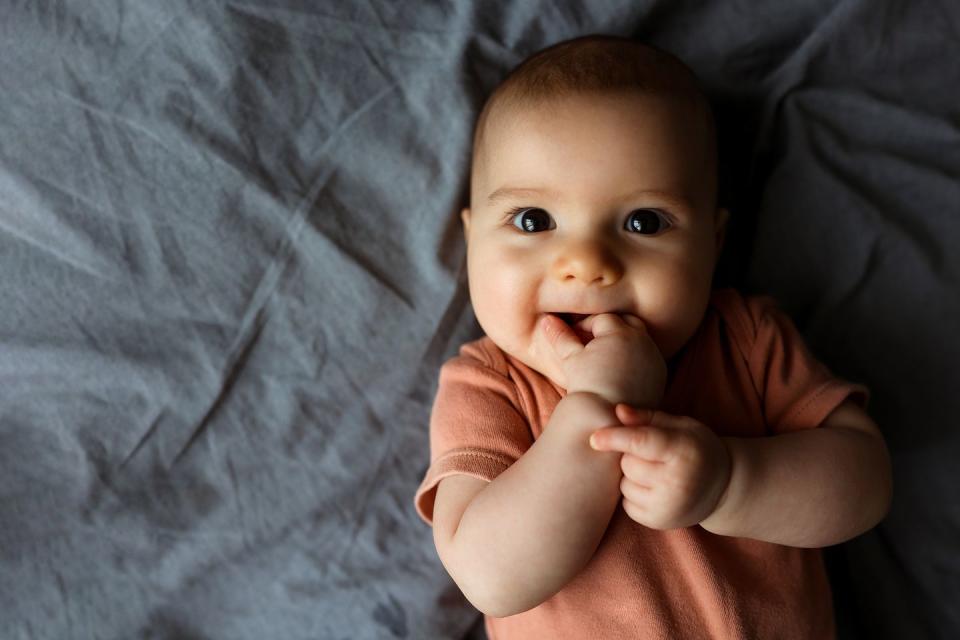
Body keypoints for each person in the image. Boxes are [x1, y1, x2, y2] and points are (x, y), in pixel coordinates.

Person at [413, 34, 892, 639]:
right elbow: (490, 577)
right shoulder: (489, 384)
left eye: (644, 222)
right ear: (473, 238)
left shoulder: (743, 340)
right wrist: (590, 410)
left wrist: (731, 481)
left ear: (711, 245)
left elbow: (865, 482)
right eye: (533, 220)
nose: (586, 263)